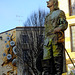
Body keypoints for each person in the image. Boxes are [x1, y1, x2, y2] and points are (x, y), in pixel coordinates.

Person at [42, 0, 68, 75]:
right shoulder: (47, 16)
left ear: (54, 2)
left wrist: (59, 28)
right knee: (46, 58)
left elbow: (64, 24)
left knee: (57, 57)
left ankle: (58, 73)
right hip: (47, 40)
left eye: (50, 0)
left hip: (55, 39)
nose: (47, 2)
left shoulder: (60, 13)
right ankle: (46, 73)